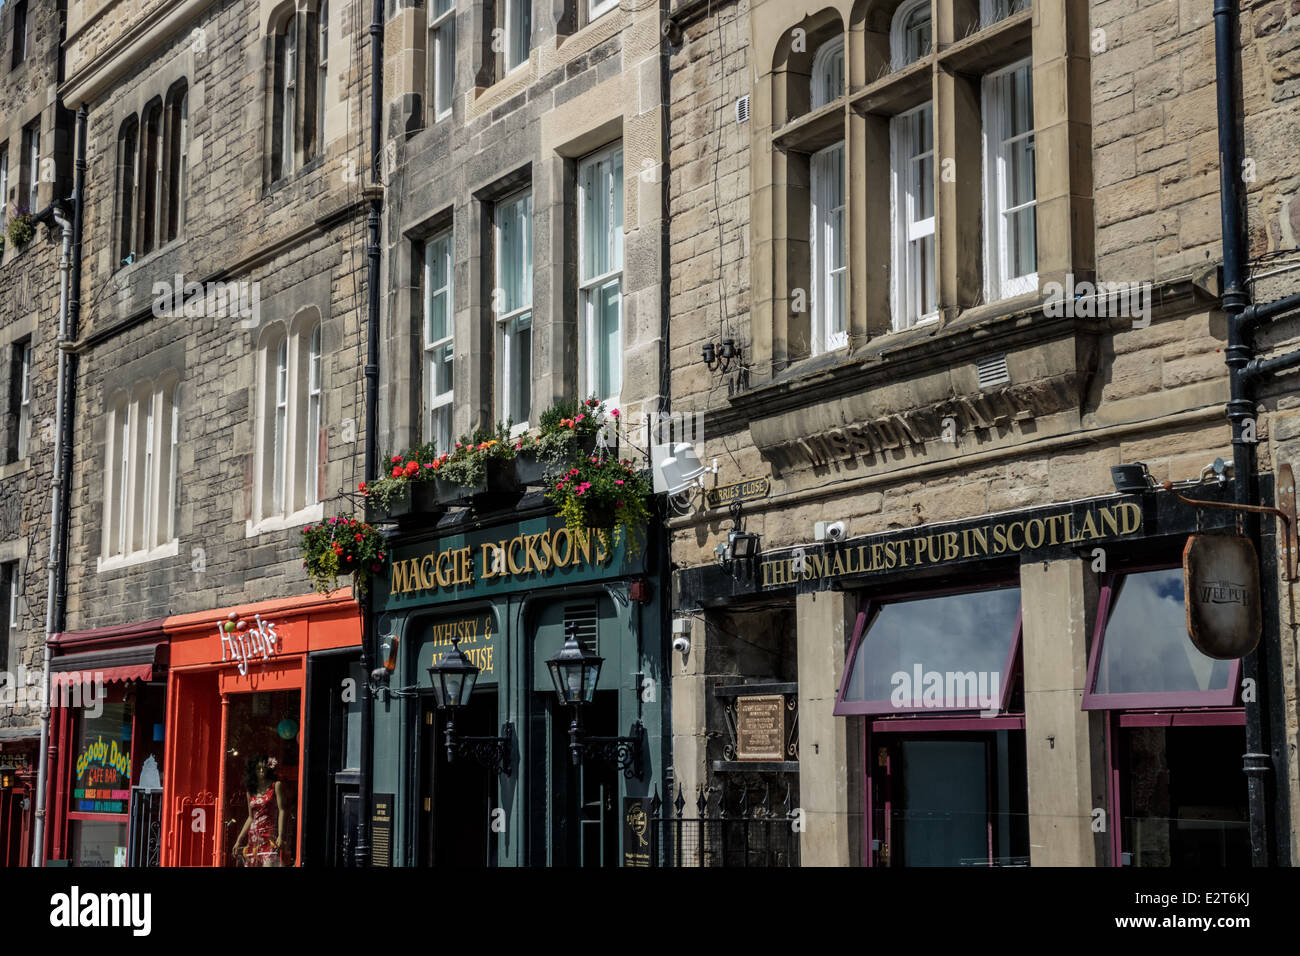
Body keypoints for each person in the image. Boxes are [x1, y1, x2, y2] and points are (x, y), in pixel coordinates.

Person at [232, 755, 288, 866]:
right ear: (254, 771)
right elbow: (250, 817)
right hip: (253, 838)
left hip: (269, 836)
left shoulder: (275, 786)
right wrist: (239, 840)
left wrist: (280, 835)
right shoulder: (251, 791)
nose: (261, 770)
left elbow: (282, 810)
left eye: (264, 767)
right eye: (258, 768)